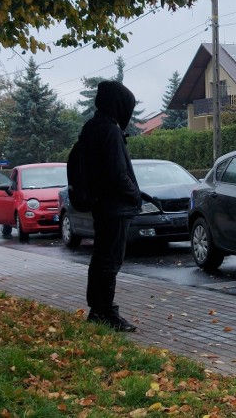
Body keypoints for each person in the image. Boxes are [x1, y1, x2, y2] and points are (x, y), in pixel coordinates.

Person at [79, 80, 141, 333]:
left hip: (101, 203)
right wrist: (135, 193)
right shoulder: (110, 130)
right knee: (110, 260)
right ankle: (104, 312)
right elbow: (117, 172)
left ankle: (99, 309)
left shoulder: (92, 127)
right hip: (115, 206)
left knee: (101, 258)